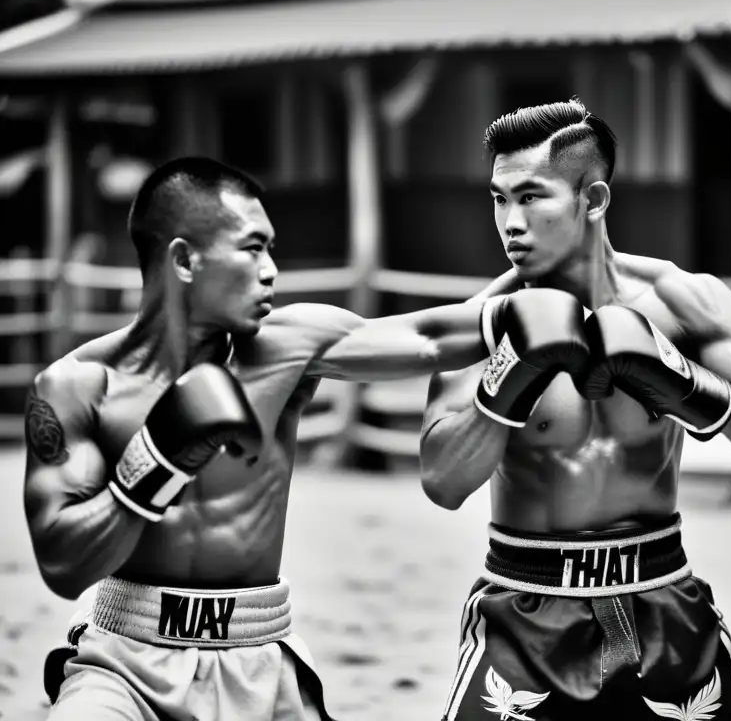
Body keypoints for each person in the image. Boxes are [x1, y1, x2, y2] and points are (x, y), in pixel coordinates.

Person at [25, 155, 562, 720]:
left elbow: (433, 336)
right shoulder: (77, 387)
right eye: (252, 248)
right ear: (184, 260)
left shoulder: (290, 346)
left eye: (272, 249)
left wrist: (553, 275)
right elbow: (63, 565)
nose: (270, 270)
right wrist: (154, 464)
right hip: (124, 662)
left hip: (259, 656)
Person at [419, 98, 731, 719]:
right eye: (498, 199)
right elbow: (443, 482)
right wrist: (506, 378)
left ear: (595, 199)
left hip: (667, 603)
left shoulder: (685, 302)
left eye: (530, 197)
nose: (509, 222)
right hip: (527, 613)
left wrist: (684, 383)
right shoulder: (480, 324)